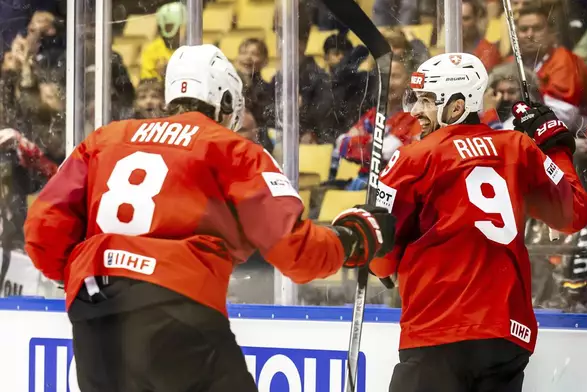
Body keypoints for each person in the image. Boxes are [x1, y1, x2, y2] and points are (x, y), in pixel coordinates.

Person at [23, 44, 395, 392]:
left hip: (93, 312)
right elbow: (294, 248)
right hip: (175, 308)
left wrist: (86, 273)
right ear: (226, 101)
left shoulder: (105, 139)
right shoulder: (231, 148)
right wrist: (352, 239)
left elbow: (43, 229)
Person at [369, 53, 587, 392]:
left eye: (426, 101)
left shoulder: (414, 157)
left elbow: (381, 261)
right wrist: (555, 147)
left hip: (437, 329)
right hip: (506, 335)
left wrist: (372, 248)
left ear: (456, 107)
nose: (414, 112)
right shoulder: (518, 147)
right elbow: (573, 214)